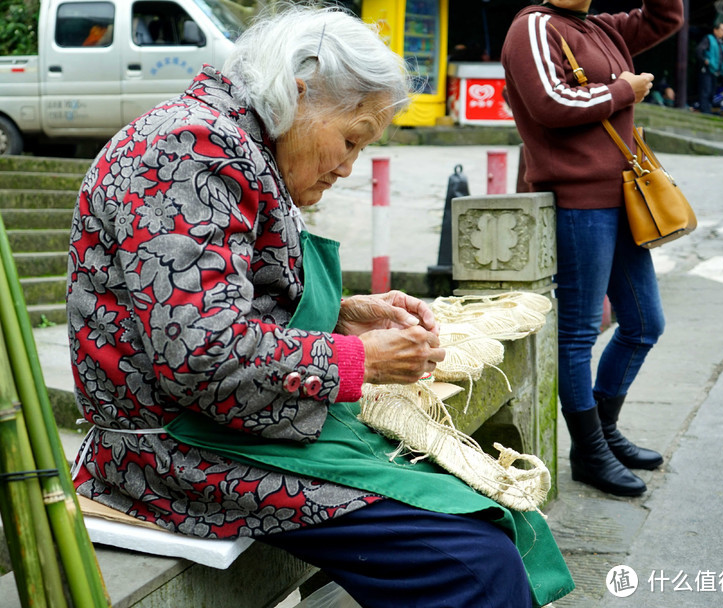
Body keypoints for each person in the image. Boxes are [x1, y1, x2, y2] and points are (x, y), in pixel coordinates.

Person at [67, 6, 573, 607]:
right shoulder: (190, 148)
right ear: (300, 94)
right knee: (471, 562)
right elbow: (201, 354)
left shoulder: (237, 139)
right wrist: (359, 361)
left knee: (488, 520)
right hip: (173, 451)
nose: (348, 166)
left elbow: (222, 304)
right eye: (350, 138)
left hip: (231, 424)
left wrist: (340, 316)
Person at [501, 0, 683, 497]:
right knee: (579, 332)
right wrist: (624, 89)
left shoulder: (598, 26)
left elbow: (665, 19)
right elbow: (550, 104)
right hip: (578, 200)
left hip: (624, 196)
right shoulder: (534, 28)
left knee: (645, 323)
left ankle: (602, 432)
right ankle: (589, 450)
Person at [696, 22, 723, 114]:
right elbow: (699, 50)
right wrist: (704, 60)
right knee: (705, 90)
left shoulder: (720, 44)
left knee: (712, 92)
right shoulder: (709, 39)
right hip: (706, 69)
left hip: (715, 71)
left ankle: (707, 109)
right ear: (715, 30)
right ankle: (704, 110)